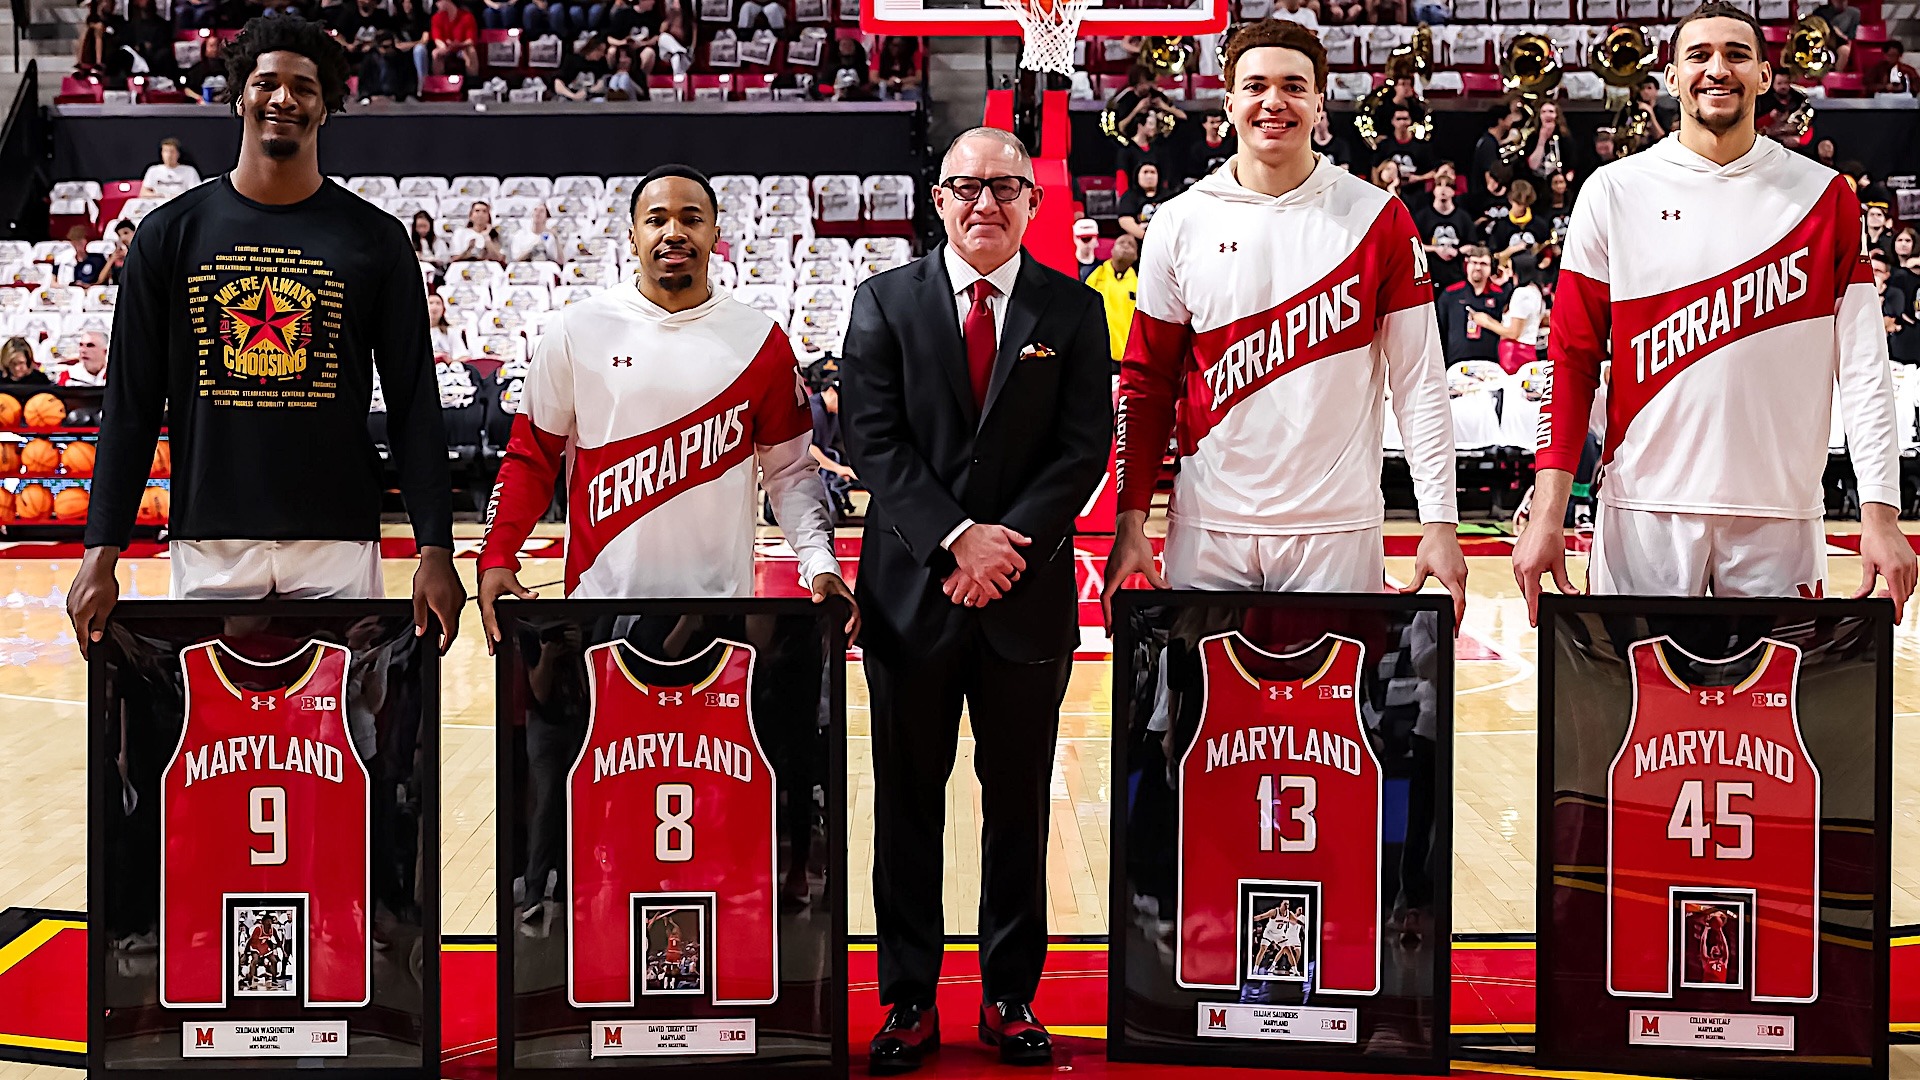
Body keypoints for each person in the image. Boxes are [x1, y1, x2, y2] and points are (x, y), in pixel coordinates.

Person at [841, 127, 1111, 1075]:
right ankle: (909, 999)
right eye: (966, 187)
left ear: (1033, 202)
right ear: (939, 199)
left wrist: (1003, 548)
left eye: (1005, 188)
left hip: (1024, 595)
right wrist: (959, 538)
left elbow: (1083, 450)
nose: (984, 203)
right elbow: (874, 442)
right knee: (908, 807)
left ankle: (1008, 995)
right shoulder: (883, 301)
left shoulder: (1073, 311)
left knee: (1019, 807)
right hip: (914, 594)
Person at [68, 16, 464, 654]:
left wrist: (435, 548)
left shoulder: (376, 238)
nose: (284, 98)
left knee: (341, 742)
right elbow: (131, 405)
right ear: (237, 95)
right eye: (266, 83)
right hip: (209, 532)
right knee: (222, 740)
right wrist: (100, 550)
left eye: (304, 87)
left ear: (326, 108)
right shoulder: (170, 234)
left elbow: (414, 400)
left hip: (337, 534)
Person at [1514, 1, 1915, 621]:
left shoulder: (1827, 197)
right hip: (1642, 513)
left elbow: (1864, 369)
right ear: (1671, 78)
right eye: (1697, 55)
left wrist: (1881, 513)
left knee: (1773, 717)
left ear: (1762, 73)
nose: (1717, 69)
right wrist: (1548, 509)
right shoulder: (1614, 191)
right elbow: (1570, 360)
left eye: (1736, 54)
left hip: (1779, 516)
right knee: (1635, 710)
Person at [1105, 21, 1465, 621]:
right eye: (1256, 86)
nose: (1274, 102)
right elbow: (1145, 383)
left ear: (1320, 101)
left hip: (1337, 526)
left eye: (1294, 86)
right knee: (1205, 712)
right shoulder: (1179, 221)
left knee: (1335, 713)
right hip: (1207, 526)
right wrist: (1131, 518)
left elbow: (1421, 383)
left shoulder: (1379, 218)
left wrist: (1440, 522)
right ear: (1229, 104)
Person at [476, 165, 856, 626]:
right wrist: (497, 553)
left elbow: (791, 474)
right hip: (600, 605)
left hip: (721, 610)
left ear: (715, 234)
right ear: (633, 237)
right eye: (656, 219)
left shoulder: (761, 341)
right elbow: (530, 456)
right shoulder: (576, 330)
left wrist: (819, 562)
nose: (674, 232)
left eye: (691, 219)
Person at [1471, 250, 1546, 373]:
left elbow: (1513, 333)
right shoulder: (1535, 291)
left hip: (1515, 354)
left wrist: (1486, 323)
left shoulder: (1522, 293)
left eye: (1511, 269)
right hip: (1525, 351)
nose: (1509, 274)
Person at [1436, 245, 1504, 364]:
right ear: (1467, 265)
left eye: (1483, 264)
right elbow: (1439, 332)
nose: (1478, 267)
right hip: (1456, 365)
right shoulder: (1450, 294)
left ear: (1491, 268)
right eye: (1474, 262)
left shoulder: (1500, 295)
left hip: (1490, 365)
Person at [1085, 233, 1139, 366]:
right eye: (1121, 243)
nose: (1126, 246)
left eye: (1131, 245)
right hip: (1098, 353)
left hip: (1128, 357)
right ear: (1112, 250)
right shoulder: (1096, 276)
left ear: (1136, 256)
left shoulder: (1139, 284)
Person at [1415, 176, 1475, 291]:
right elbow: (1415, 244)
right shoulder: (1422, 217)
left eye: (1448, 185)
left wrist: (1457, 252)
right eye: (1439, 185)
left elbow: (1472, 244)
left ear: (1453, 191)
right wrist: (1435, 249)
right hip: (1430, 277)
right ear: (1433, 190)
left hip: (1456, 277)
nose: (1443, 189)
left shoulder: (1463, 217)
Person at [1107, 65, 1185, 142]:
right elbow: (1119, 128)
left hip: (1159, 142)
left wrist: (1165, 107)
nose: (1148, 86)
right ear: (1136, 84)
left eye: (1149, 82)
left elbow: (1183, 116)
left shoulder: (1157, 95)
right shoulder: (1126, 98)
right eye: (1144, 83)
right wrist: (1137, 109)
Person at [1371, 103, 1437, 186]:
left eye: (1405, 119)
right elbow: (1374, 168)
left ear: (1410, 121)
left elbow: (1433, 171)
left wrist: (1418, 178)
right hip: (1388, 189)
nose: (1402, 122)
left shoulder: (1421, 146)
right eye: (1398, 119)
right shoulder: (1384, 144)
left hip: (1415, 193)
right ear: (1392, 121)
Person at [1115, 110, 1173, 192]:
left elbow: (1164, 178)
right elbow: (1122, 175)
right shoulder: (1126, 150)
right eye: (1150, 124)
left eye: (1154, 125)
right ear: (1140, 125)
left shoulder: (1157, 150)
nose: (1153, 128)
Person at [1470, 103, 1518, 201]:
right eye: (1509, 118)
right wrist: (1496, 191)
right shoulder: (1489, 144)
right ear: (1501, 121)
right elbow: (1489, 171)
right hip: (1485, 198)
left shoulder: (1487, 140)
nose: (1512, 121)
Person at [1483, 177, 1541, 256]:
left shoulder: (1539, 224)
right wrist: (1510, 250)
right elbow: (1493, 255)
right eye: (1517, 203)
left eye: (1523, 204)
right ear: (1510, 200)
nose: (1520, 207)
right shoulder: (1500, 226)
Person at [357, 30, 418, 100]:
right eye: (385, 46)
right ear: (378, 47)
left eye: (391, 46)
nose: (389, 49)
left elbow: (409, 83)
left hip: (396, 97)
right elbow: (363, 84)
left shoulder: (401, 59)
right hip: (375, 97)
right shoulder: (369, 60)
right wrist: (369, 96)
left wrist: (399, 96)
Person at [1116, 163, 1168, 240]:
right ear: (1137, 175)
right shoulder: (1129, 196)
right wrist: (1148, 238)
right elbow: (1125, 221)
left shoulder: (1169, 196)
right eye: (1145, 172)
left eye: (1153, 172)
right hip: (1138, 241)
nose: (1149, 176)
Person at [552, 34, 613, 100]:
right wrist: (573, 96)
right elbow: (558, 84)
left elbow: (601, 84)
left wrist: (588, 91)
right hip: (571, 95)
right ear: (592, 48)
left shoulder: (601, 63)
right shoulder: (572, 60)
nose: (602, 54)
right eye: (600, 50)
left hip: (590, 97)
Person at [429, 0, 478, 76]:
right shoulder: (436, 18)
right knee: (435, 53)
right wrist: (444, 47)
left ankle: (473, 79)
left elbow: (470, 40)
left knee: (471, 50)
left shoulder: (467, 16)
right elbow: (437, 38)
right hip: (446, 48)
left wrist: (460, 44)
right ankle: (438, 83)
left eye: (438, 1)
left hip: (462, 47)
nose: (436, 4)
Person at [1808, 0, 1858, 71]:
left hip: (1842, 43)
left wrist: (1840, 34)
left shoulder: (1854, 13)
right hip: (1823, 42)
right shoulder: (1820, 12)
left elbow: (1852, 36)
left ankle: (1836, 77)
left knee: (1845, 51)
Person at [1186, 112, 1233, 185]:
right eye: (1212, 122)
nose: (1216, 125)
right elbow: (1193, 175)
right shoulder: (1198, 149)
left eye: (1218, 122)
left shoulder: (1231, 145)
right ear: (1204, 125)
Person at [876, 36, 920, 100]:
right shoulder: (880, 56)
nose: (896, 49)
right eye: (894, 45)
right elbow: (873, 78)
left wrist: (900, 82)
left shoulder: (912, 57)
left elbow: (918, 78)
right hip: (885, 89)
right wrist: (887, 82)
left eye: (901, 46)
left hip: (906, 89)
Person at [1072, 216, 1100, 281]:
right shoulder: (1065, 268)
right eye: (1083, 238)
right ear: (1074, 238)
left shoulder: (1106, 268)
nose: (1086, 242)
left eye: (1090, 238)